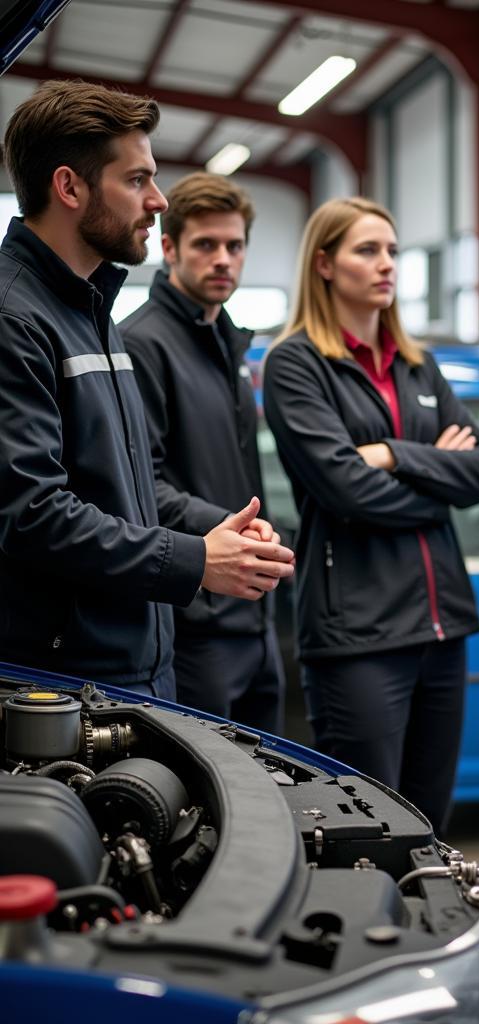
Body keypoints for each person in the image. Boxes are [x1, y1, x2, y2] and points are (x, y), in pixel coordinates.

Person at [0, 80, 295, 699]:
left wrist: (215, 542)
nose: (159, 200)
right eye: (137, 180)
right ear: (70, 187)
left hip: (137, 662)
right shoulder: (14, 318)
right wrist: (194, 560)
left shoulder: (93, 313)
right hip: (67, 682)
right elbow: (30, 515)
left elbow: (129, 490)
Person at [263, 197, 479, 834]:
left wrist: (392, 454)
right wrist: (434, 479)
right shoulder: (296, 363)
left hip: (441, 629)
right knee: (369, 830)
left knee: (429, 828)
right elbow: (345, 491)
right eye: (368, 250)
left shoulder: (418, 364)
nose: (386, 264)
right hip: (357, 637)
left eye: (392, 250)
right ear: (325, 265)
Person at [121, 173, 285, 732]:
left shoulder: (230, 343)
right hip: (195, 619)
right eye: (205, 245)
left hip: (255, 613)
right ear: (169, 248)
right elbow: (143, 485)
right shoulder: (142, 343)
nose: (223, 260)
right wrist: (230, 526)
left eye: (234, 246)